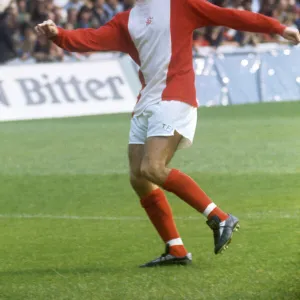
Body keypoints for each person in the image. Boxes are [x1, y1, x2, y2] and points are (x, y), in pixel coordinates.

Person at [35, 0, 300, 267]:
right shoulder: (126, 20)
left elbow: (229, 16)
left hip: (175, 97)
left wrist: (277, 28)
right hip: (147, 100)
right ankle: (176, 249)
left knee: (152, 167)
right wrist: (58, 35)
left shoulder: (180, 5)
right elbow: (91, 39)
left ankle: (220, 217)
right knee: (139, 177)